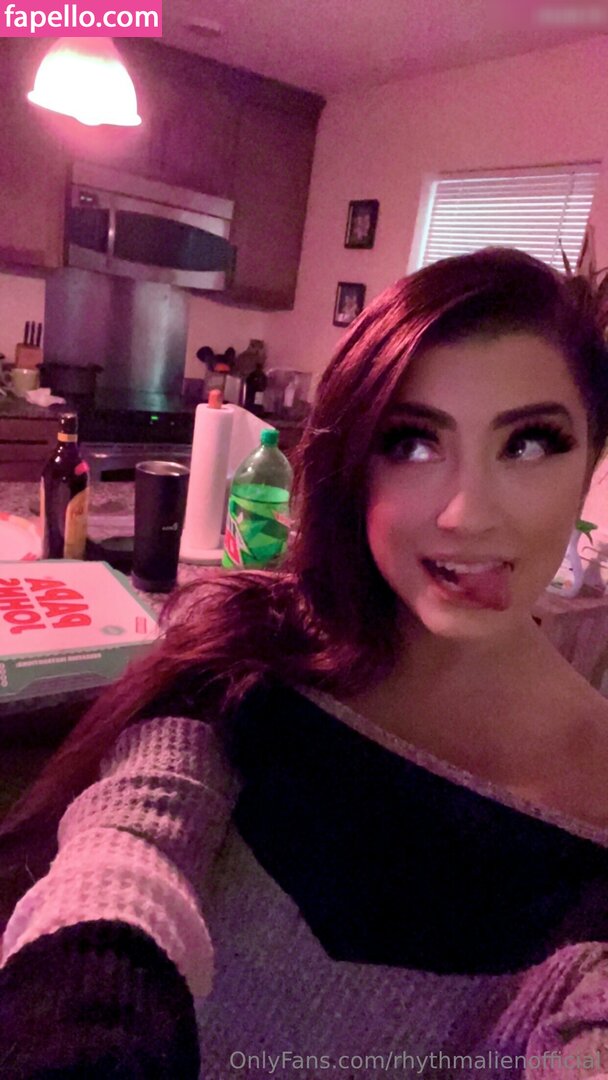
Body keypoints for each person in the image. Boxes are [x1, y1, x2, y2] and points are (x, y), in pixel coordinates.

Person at [2, 247, 608, 1078]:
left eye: (531, 443)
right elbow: (135, 839)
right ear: (353, 467)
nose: (467, 515)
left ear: (592, 460)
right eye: (412, 442)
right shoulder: (253, 648)